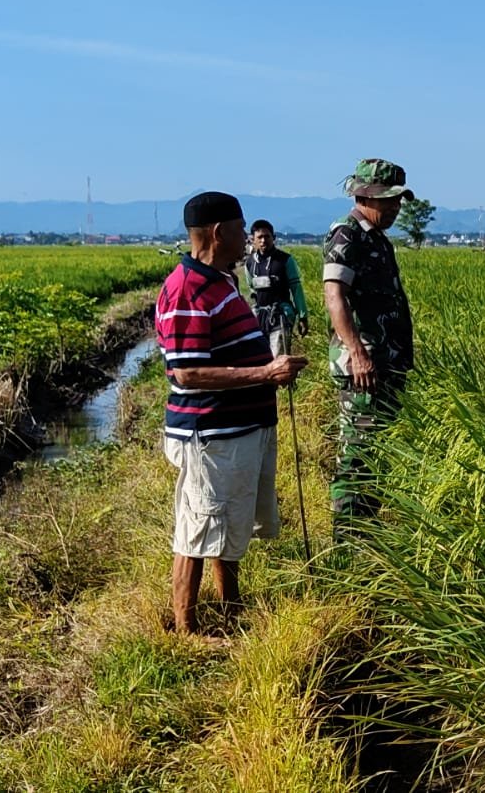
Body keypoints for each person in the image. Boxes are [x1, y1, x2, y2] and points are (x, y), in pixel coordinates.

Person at [155, 191, 307, 635]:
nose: (248, 238)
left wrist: (267, 373)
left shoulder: (221, 280)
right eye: (242, 230)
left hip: (237, 431)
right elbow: (187, 373)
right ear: (219, 232)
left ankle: (231, 609)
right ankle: (186, 629)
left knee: (227, 524)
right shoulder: (186, 290)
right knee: (198, 528)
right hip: (210, 435)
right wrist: (265, 373)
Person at [323, 158, 416, 531]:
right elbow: (335, 296)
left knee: (378, 451)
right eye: (389, 199)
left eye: (397, 200)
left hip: (385, 365)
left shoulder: (376, 238)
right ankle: (347, 540)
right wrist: (358, 354)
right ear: (365, 196)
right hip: (363, 369)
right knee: (358, 453)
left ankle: (368, 531)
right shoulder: (348, 235)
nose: (395, 207)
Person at [243, 219, 310, 357]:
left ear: (273, 237)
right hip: (259, 318)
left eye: (267, 236)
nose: (263, 241)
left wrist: (303, 316)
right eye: (259, 237)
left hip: (281, 316)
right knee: (261, 359)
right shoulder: (249, 263)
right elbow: (252, 289)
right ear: (253, 239)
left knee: (279, 358)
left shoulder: (285, 260)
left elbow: (296, 289)